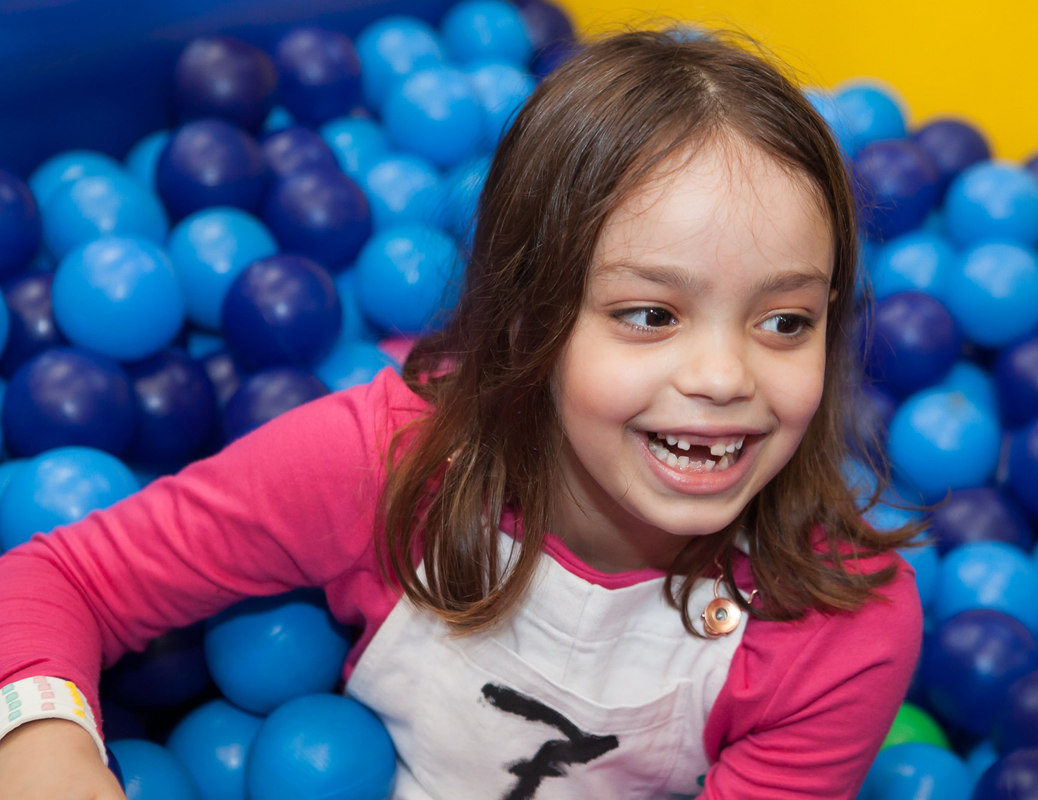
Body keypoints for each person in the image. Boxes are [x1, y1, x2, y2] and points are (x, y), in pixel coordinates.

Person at [0, 27, 922, 799]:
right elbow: (58, 581)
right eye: (650, 314)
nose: (725, 375)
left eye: (785, 320)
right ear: (529, 321)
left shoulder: (838, 634)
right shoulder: (382, 462)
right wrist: (48, 748)